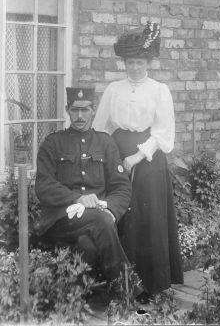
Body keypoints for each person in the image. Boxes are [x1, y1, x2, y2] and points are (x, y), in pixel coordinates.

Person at [92, 21, 183, 301]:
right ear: (125, 63)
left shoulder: (158, 90)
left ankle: (150, 284)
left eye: (140, 62)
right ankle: (119, 282)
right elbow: (101, 127)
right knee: (119, 214)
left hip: (148, 159)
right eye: (130, 62)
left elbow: (163, 132)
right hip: (116, 155)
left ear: (148, 62)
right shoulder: (114, 89)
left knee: (146, 218)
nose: (135, 67)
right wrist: (109, 156)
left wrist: (136, 156)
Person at [35, 86, 132, 283]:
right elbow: (43, 185)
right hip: (62, 220)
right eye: (75, 110)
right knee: (101, 221)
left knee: (87, 244)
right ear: (67, 110)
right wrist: (77, 198)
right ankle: (127, 288)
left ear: (94, 110)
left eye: (85, 109)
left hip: (98, 219)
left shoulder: (106, 143)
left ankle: (84, 293)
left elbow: (121, 186)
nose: (80, 116)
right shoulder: (53, 143)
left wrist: (110, 210)